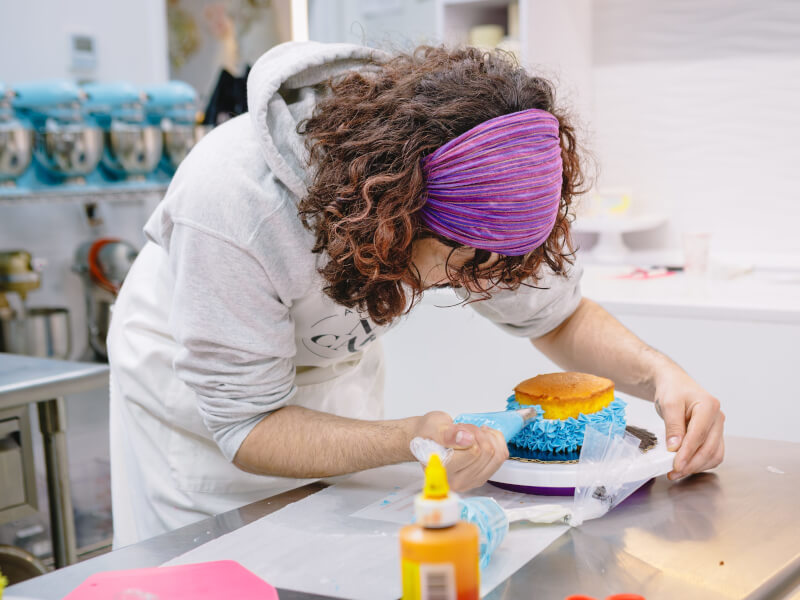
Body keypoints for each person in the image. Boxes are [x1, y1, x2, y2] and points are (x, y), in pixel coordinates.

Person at [107, 41, 725, 546]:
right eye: (466, 262)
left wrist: (661, 374)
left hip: (324, 369)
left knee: (334, 546)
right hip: (200, 406)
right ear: (393, 217)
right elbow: (248, 426)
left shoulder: (473, 181)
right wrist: (409, 437)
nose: (485, 285)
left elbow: (555, 317)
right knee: (219, 567)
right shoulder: (237, 207)